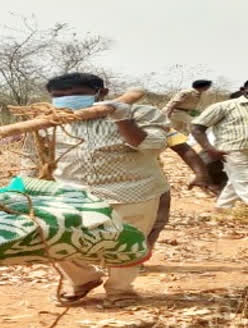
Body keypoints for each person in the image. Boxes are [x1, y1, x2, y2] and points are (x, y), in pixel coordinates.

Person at [42, 73, 170, 304]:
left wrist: (123, 119)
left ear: (101, 93)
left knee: (128, 241)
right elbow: (33, 159)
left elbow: (154, 145)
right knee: (51, 236)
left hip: (133, 190)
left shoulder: (142, 113)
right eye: (59, 96)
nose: (67, 101)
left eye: (77, 95)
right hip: (71, 192)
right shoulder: (48, 122)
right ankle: (82, 279)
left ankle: (120, 290)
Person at [191, 90, 248, 209]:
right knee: (244, 182)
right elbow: (197, 128)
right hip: (232, 151)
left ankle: (222, 208)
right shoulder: (224, 107)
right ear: (245, 89)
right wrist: (209, 149)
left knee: (235, 182)